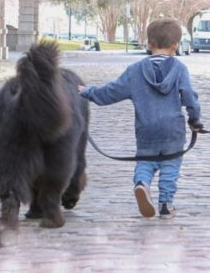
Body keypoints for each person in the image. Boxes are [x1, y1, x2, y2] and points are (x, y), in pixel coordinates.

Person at [78, 18, 203, 219]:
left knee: (146, 161)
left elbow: (111, 92)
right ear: (176, 45)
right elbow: (189, 96)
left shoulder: (135, 70)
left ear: (149, 43)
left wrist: (88, 92)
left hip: (146, 130)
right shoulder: (179, 69)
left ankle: (142, 184)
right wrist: (195, 119)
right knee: (171, 164)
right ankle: (166, 204)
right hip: (173, 130)